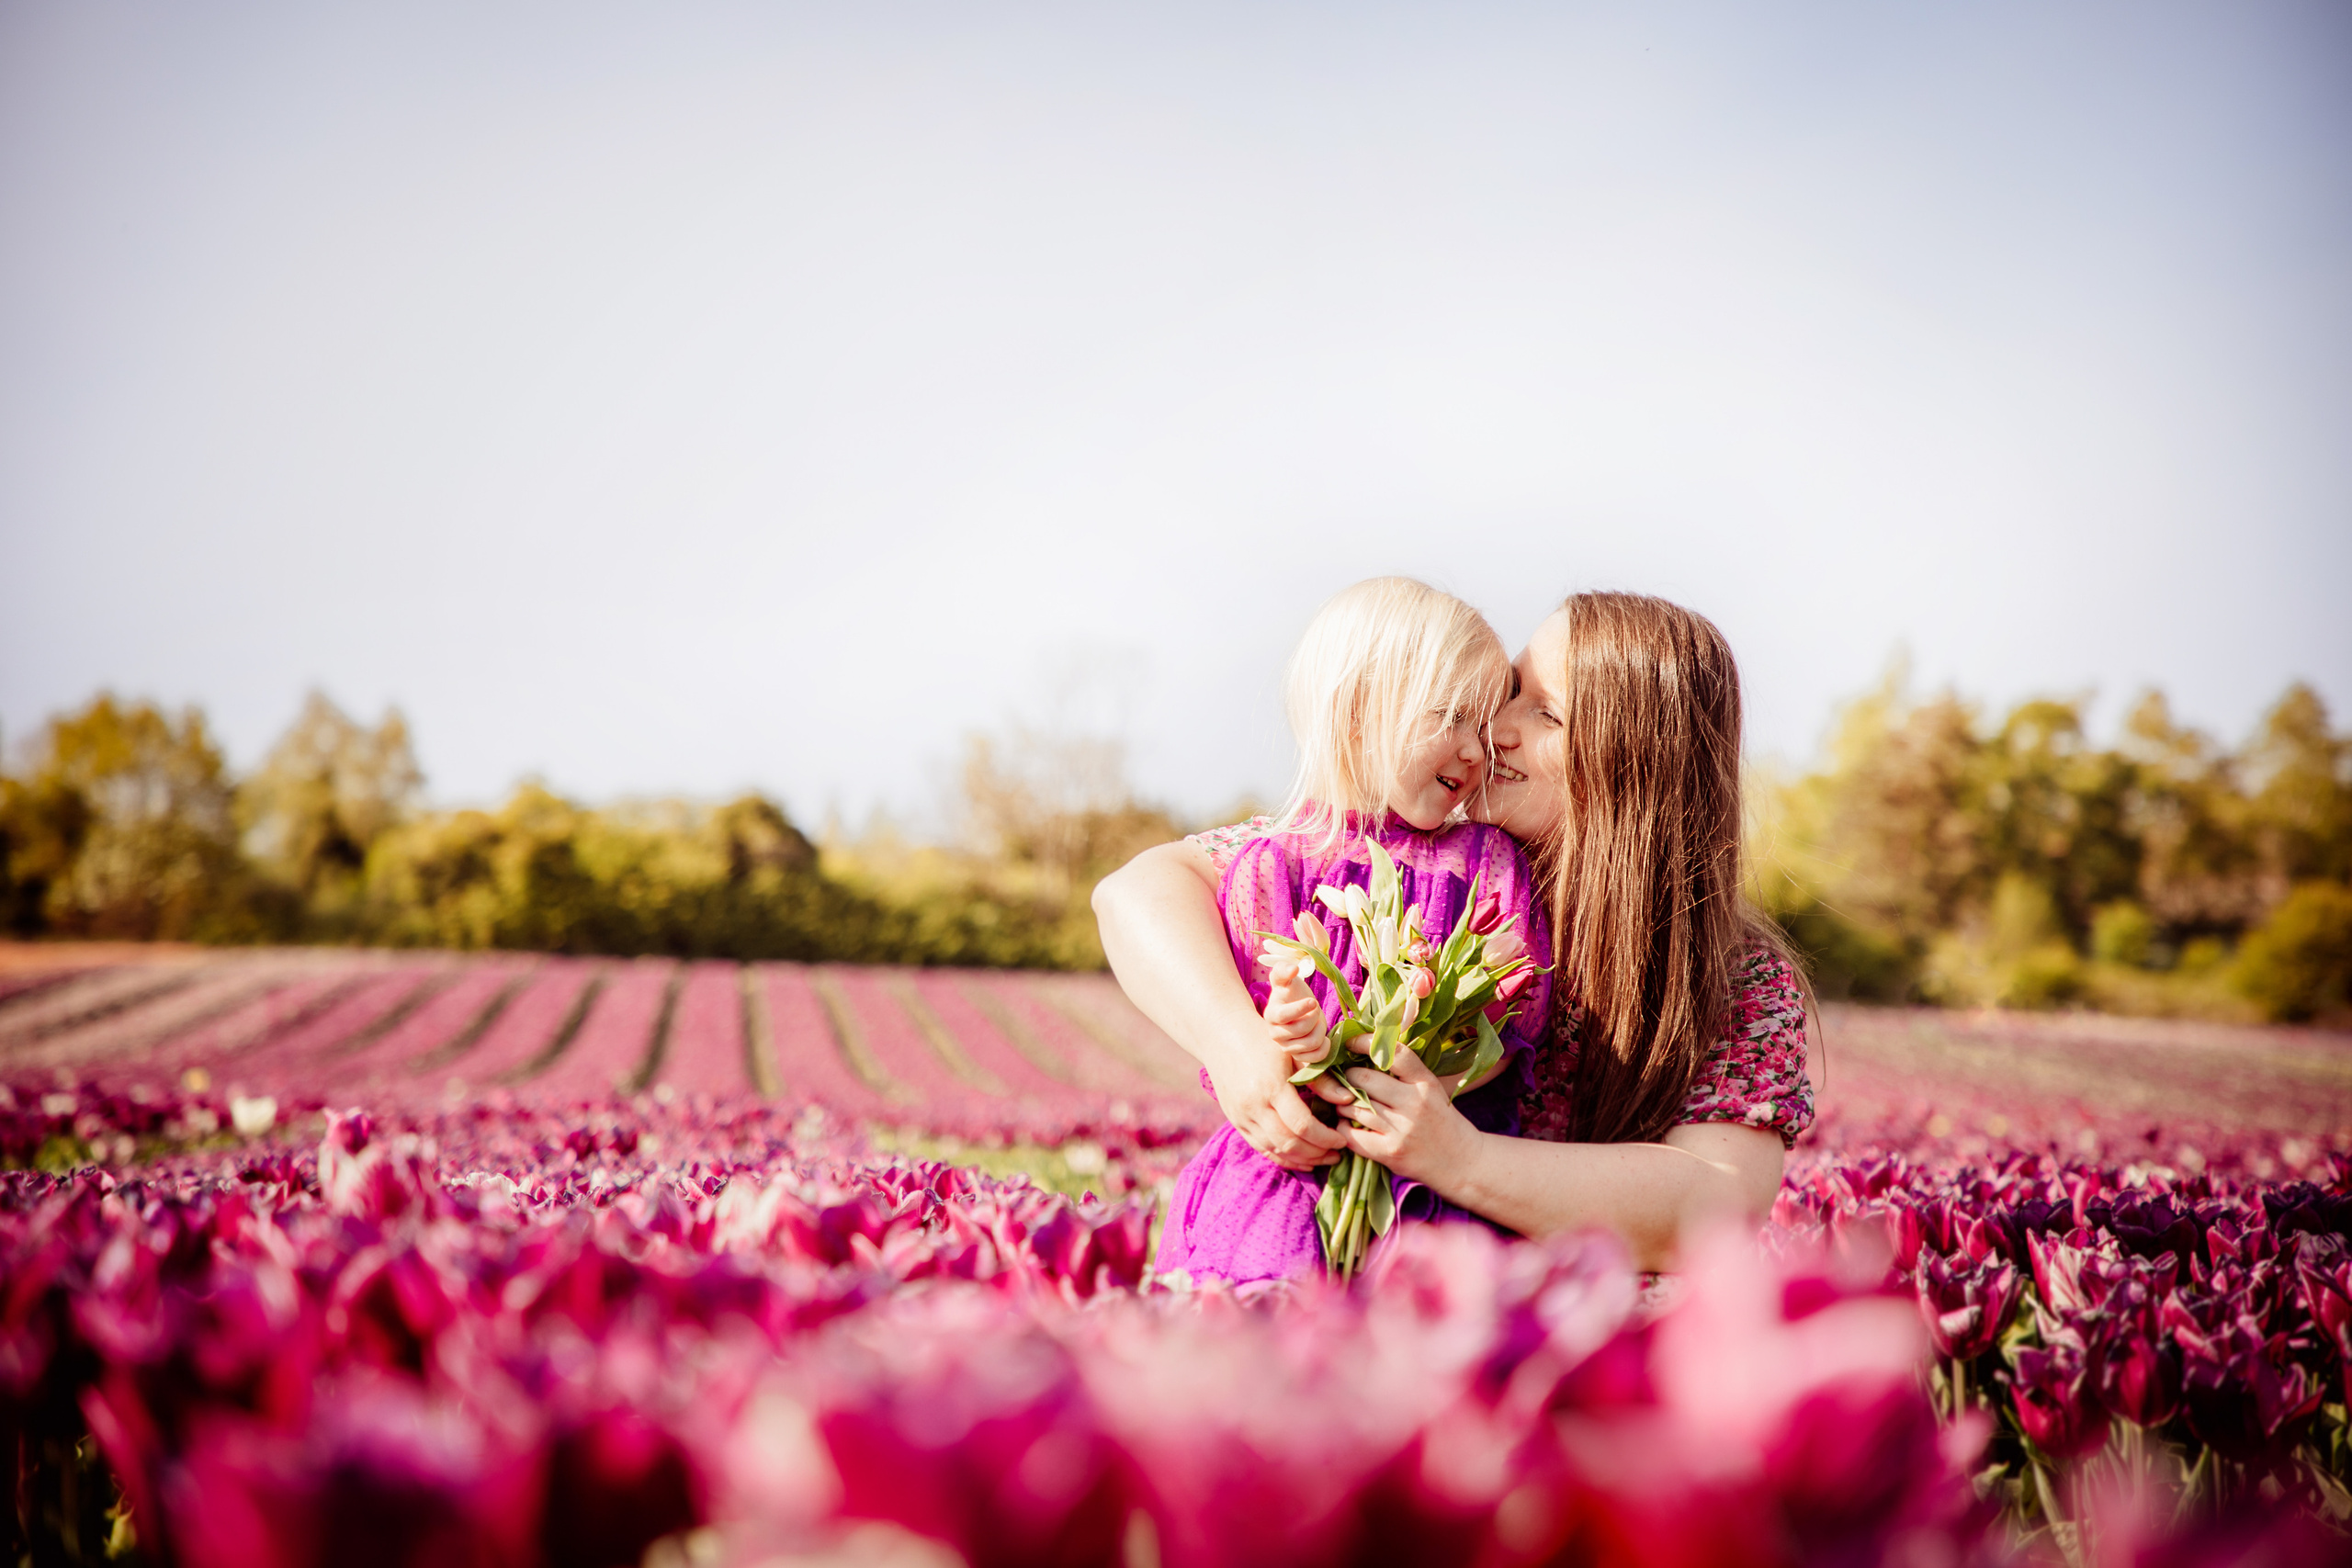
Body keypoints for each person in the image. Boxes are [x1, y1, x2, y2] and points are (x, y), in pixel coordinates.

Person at [1094, 591, 1812, 1273]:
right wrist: (1237, 1045)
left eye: (1546, 714)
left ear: (1636, 761)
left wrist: (1458, 1158)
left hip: (1570, 1343)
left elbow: (1714, 1203)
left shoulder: (1735, 975)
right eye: (1509, 692)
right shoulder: (1413, 859)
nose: (1494, 727)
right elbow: (1137, 893)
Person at [1153, 578, 1554, 1285]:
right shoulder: (1273, 866)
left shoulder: (1486, 861)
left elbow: (1515, 1011)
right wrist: (1297, 1035)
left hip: (1436, 1164)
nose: (1476, 749)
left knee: (1434, 1305)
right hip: (1299, 1161)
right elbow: (1256, 1039)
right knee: (1268, 1283)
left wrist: (1436, 1054)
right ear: (1362, 712)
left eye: (1482, 723)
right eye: (1453, 717)